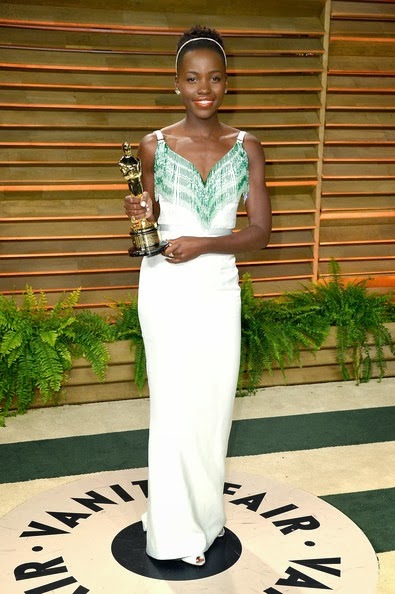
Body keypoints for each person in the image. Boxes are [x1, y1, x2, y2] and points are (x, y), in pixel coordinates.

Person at [124, 25, 271, 566]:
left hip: (217, 290)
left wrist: (205, 244)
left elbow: (259, 233)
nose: (202, 88)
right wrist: (138, 216)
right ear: (177, 83)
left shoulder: (247, 147)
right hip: (166, 290)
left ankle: (204, 519)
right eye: (192, 78)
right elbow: (151, 219)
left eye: (213, 78)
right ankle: (173, 532)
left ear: (226, 82)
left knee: (212, 410)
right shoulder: (153, 145)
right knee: (174, 408)